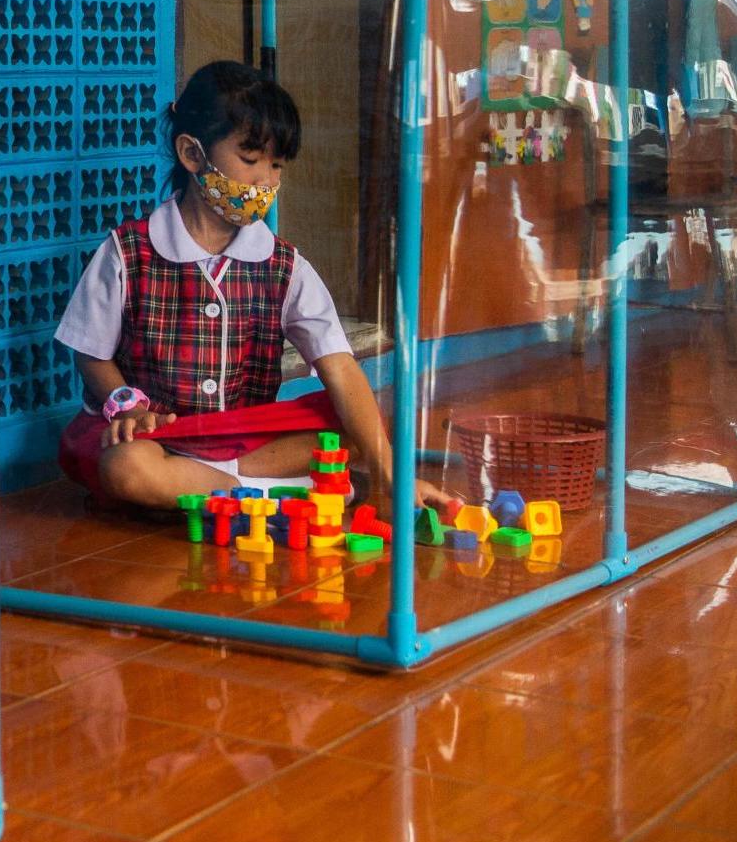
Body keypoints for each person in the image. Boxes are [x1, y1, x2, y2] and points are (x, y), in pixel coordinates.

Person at [53, 62, 445, 514]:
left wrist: (391, 477)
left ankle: (220, 493)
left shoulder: (285, 265)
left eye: (277, 165)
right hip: (161, 441)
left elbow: (339, 368)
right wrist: (125, 406)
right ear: (192, 154)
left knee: (362, 425)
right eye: (251, 159)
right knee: (126, 466)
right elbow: (90, 351)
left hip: (248, 441)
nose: (266, 181)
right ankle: (276, 497)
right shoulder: (128, 251)